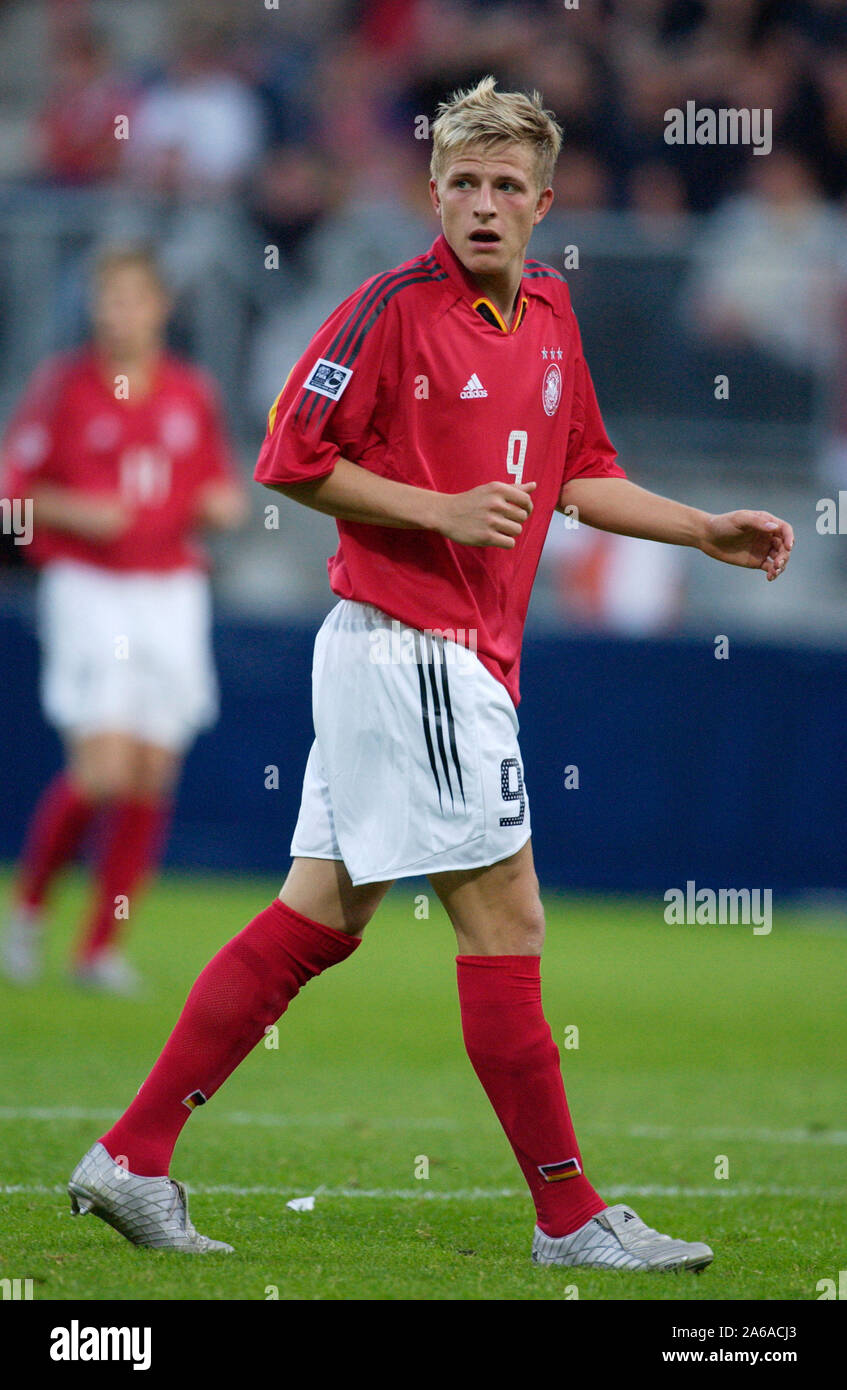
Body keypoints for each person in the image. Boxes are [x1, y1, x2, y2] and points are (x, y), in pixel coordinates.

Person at [66, 79, 792, 1269]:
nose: (485, 206)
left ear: (545, 202)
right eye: (463, 184)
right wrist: (440, 510)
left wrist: (699, 527)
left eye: (508, 186)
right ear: (435, 193)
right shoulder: (391, 307)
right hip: (412, 651)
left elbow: (580, 473)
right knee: (508, 919)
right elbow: (286, 458)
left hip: (440, 662)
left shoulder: (553, 313)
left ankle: (132, 1158)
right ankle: (569, 1217)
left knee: (321, 916)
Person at [1, 246, 247, 993]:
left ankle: (98, 949)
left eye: (134, 300)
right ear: (95, 309)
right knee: (102, 767)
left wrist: (223, 507)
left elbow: (221, 488)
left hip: (170, 590)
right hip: (89, 586)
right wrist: (75, 510)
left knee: (152, 769)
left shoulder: (188, 393)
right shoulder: (64, 387)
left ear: (159, 308)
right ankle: (30, 914)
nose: (122, 314)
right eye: (109, 300)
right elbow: (10, 499)